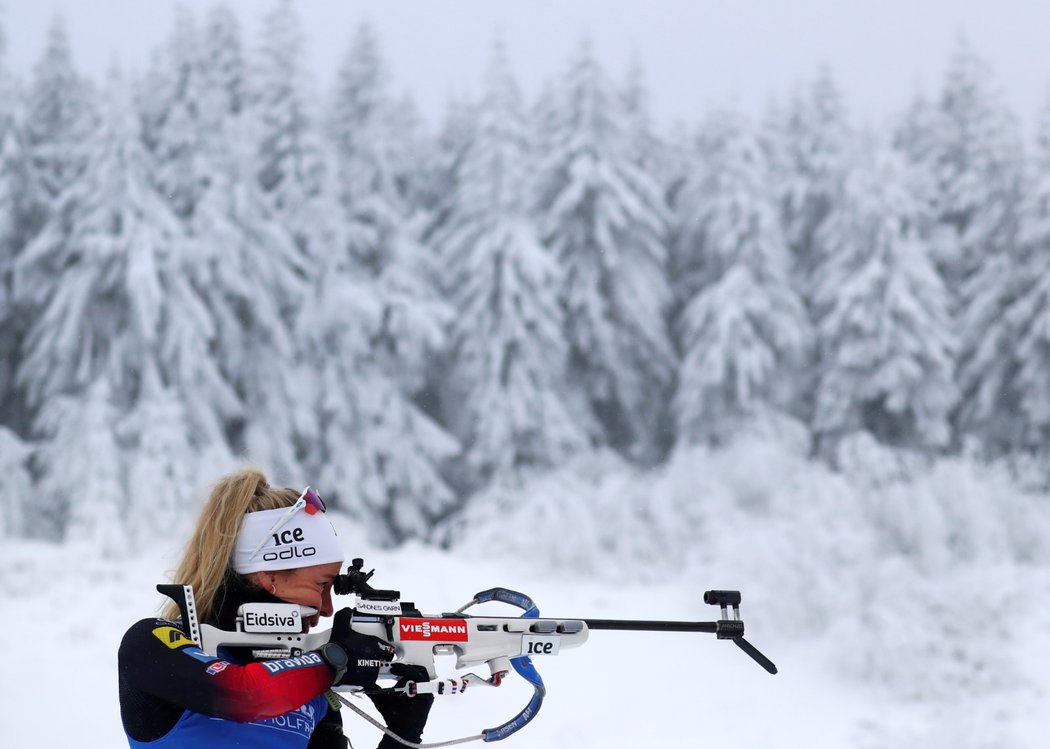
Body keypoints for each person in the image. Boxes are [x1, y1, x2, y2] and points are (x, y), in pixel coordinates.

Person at [118, 468, 433, 748]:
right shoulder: (151, 642)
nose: (327, 609)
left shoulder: (314, 695)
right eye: (321, 585)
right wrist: (334, 661)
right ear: (268, 577)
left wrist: (401, 735)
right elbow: (243, 695)